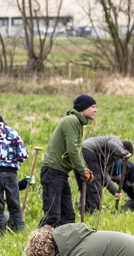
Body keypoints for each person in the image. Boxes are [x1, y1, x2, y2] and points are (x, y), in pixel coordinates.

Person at [40, 95, 97, 226]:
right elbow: (72, 151)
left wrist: (85, 169)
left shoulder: (78, 123)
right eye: (93, 107)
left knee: (68, 216)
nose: (96, 110)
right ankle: (38, 239)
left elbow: (77, 151)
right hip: (53, 172)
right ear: (83, 108)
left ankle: (62, 240)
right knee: (52, 216)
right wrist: (82, 171)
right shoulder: (71, 121)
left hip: (61, 173)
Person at [80, 135, 130, 215]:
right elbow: (111, 144)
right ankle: (95, 212)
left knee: (88, 181)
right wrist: (123, 153)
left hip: (84, 151)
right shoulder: (117, 142)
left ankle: (86, 210)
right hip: (89, 150)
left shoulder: (111, 156)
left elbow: (103, 174)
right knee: (96, 182)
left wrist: (115, 191)